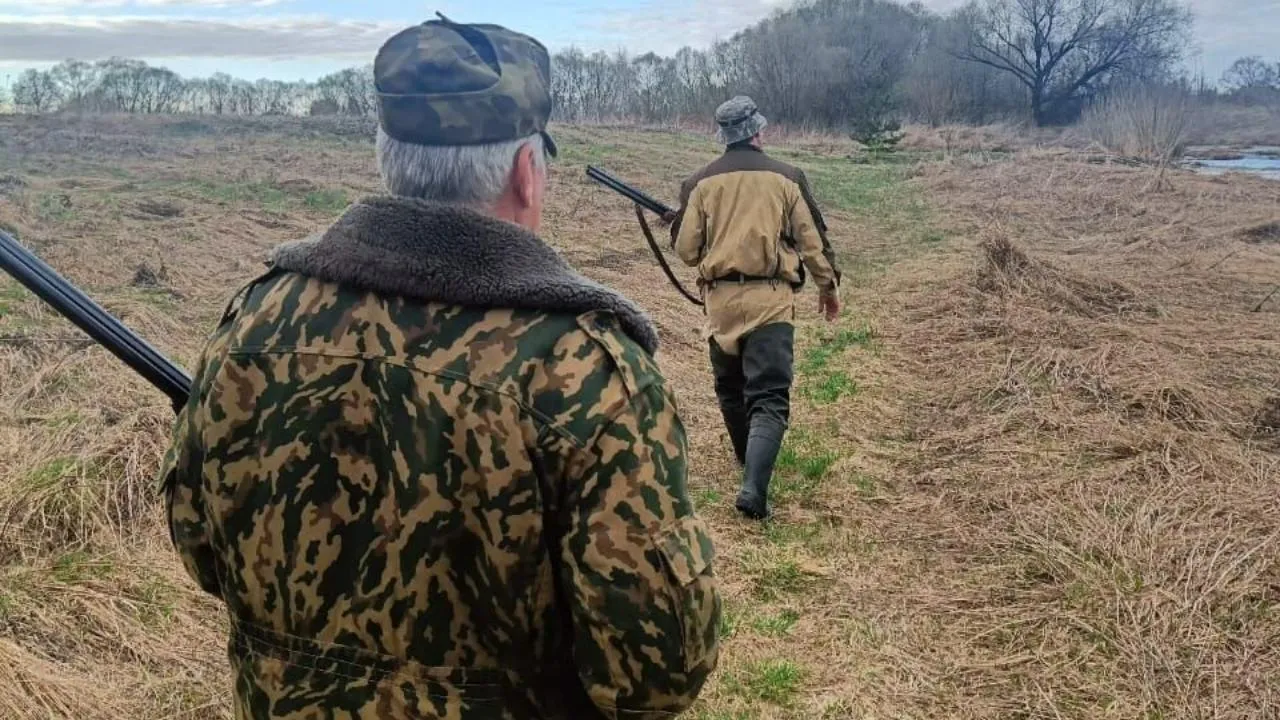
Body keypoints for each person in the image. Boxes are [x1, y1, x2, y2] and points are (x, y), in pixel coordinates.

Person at [157, 16, 721, 720]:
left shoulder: (254, 324)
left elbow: (202, 548)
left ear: (388, 159)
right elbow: (655, 674)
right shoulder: (580, 370)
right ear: (527, 173)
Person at [669, 95, 843, 521]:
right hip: (770, 300)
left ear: (724, 136)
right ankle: (754, 487)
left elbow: (686, 251)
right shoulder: (787, 178)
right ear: (758, 133)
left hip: (721, 304)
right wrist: (828, 287)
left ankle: (749, 466)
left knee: (731, 389)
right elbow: (812, 243)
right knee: (768, 396)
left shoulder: (699, 182)